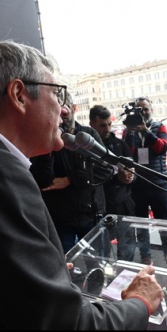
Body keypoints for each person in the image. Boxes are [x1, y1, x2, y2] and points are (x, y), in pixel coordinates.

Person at [0, 40, 163, 330]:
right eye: (57, 94)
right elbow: (66, 323)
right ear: (18, 94)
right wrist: (140, 302)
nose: (64, 109)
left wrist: (37, 275)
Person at [30, 93, 113, 254]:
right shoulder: (45, 139)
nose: (63, 112)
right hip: (61, 220)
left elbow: (106, 169)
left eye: (66, 105)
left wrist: (70, 179)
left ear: (74, 108)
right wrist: (49, 146)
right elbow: (44, 181)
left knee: (102, 264)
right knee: (64, 266)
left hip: (91, 215)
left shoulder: (88, 135)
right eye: (57, 107)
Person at [122, 96, 167, 268]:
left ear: (151, 110)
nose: (143, 112)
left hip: (158, 183)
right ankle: (145, 255)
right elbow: (128, 155)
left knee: (163, 221)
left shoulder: (159, 127)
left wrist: (146, 130)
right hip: (138, 184)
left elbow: (162, 148)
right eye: (139, 109)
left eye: (145, 109)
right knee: (141, 223)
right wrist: (131, 133)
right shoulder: (128, 131)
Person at [89, 104, 137, 261]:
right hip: (101, 205)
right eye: (102, 125)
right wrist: (117, 177)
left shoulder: (120, 145)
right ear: (92, 125)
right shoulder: (87, 149)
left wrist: (131, 176)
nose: (107, 129)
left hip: (124, 202)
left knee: (128, 247)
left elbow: (133, 171)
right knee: (102, 252)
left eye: (109, 124)